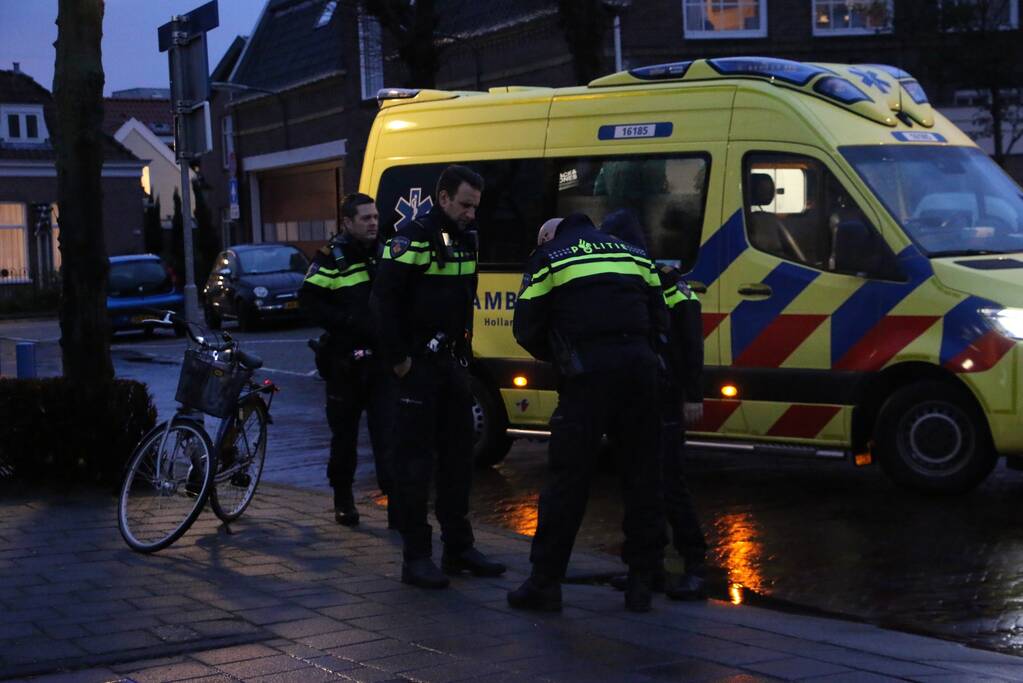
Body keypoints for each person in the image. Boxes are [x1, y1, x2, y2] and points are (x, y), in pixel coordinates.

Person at [508, 212, 668, 613]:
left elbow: (526, 326)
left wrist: (563, 358)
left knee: (568, 480)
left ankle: (545, 583)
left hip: (587, 377)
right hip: (640, 371)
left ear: (550, 235)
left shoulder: (550, 257)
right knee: (643, 475)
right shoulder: (633, 252)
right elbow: (659, 315)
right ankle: (641, 582)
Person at [370, 165, 507, 589]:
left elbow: (462, 301)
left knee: (458, 459)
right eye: (465, 204)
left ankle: (458, 548)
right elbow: (382, 305)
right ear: (443, 198)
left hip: (451, 366)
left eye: (475, 206)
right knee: (413, 465)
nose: (471, 213)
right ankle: (416, 557)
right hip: (417, 368)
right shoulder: (411, 238)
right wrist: (400, 363)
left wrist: (463, 355)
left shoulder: (465, 238)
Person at [601, 209, 709, 601]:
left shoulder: (669, 286)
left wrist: (692, 395)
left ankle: (696, 565)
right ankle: (645, 567)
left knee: (669, 483)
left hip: (664, 398)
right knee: (638, 485)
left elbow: (690, 349)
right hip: (638, 396)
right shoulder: (628, 281)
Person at [299, 193, 393, 527]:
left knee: (387, 434)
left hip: (382, 361)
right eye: (365, 218)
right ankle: (343, 499)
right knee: (345, 438)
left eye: (375, 217)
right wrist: (348, 324)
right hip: (345, 365)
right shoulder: (330, 259)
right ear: (347, 223)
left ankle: (395, 501)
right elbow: (309, 302)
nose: (372, 223)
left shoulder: (386, 253)